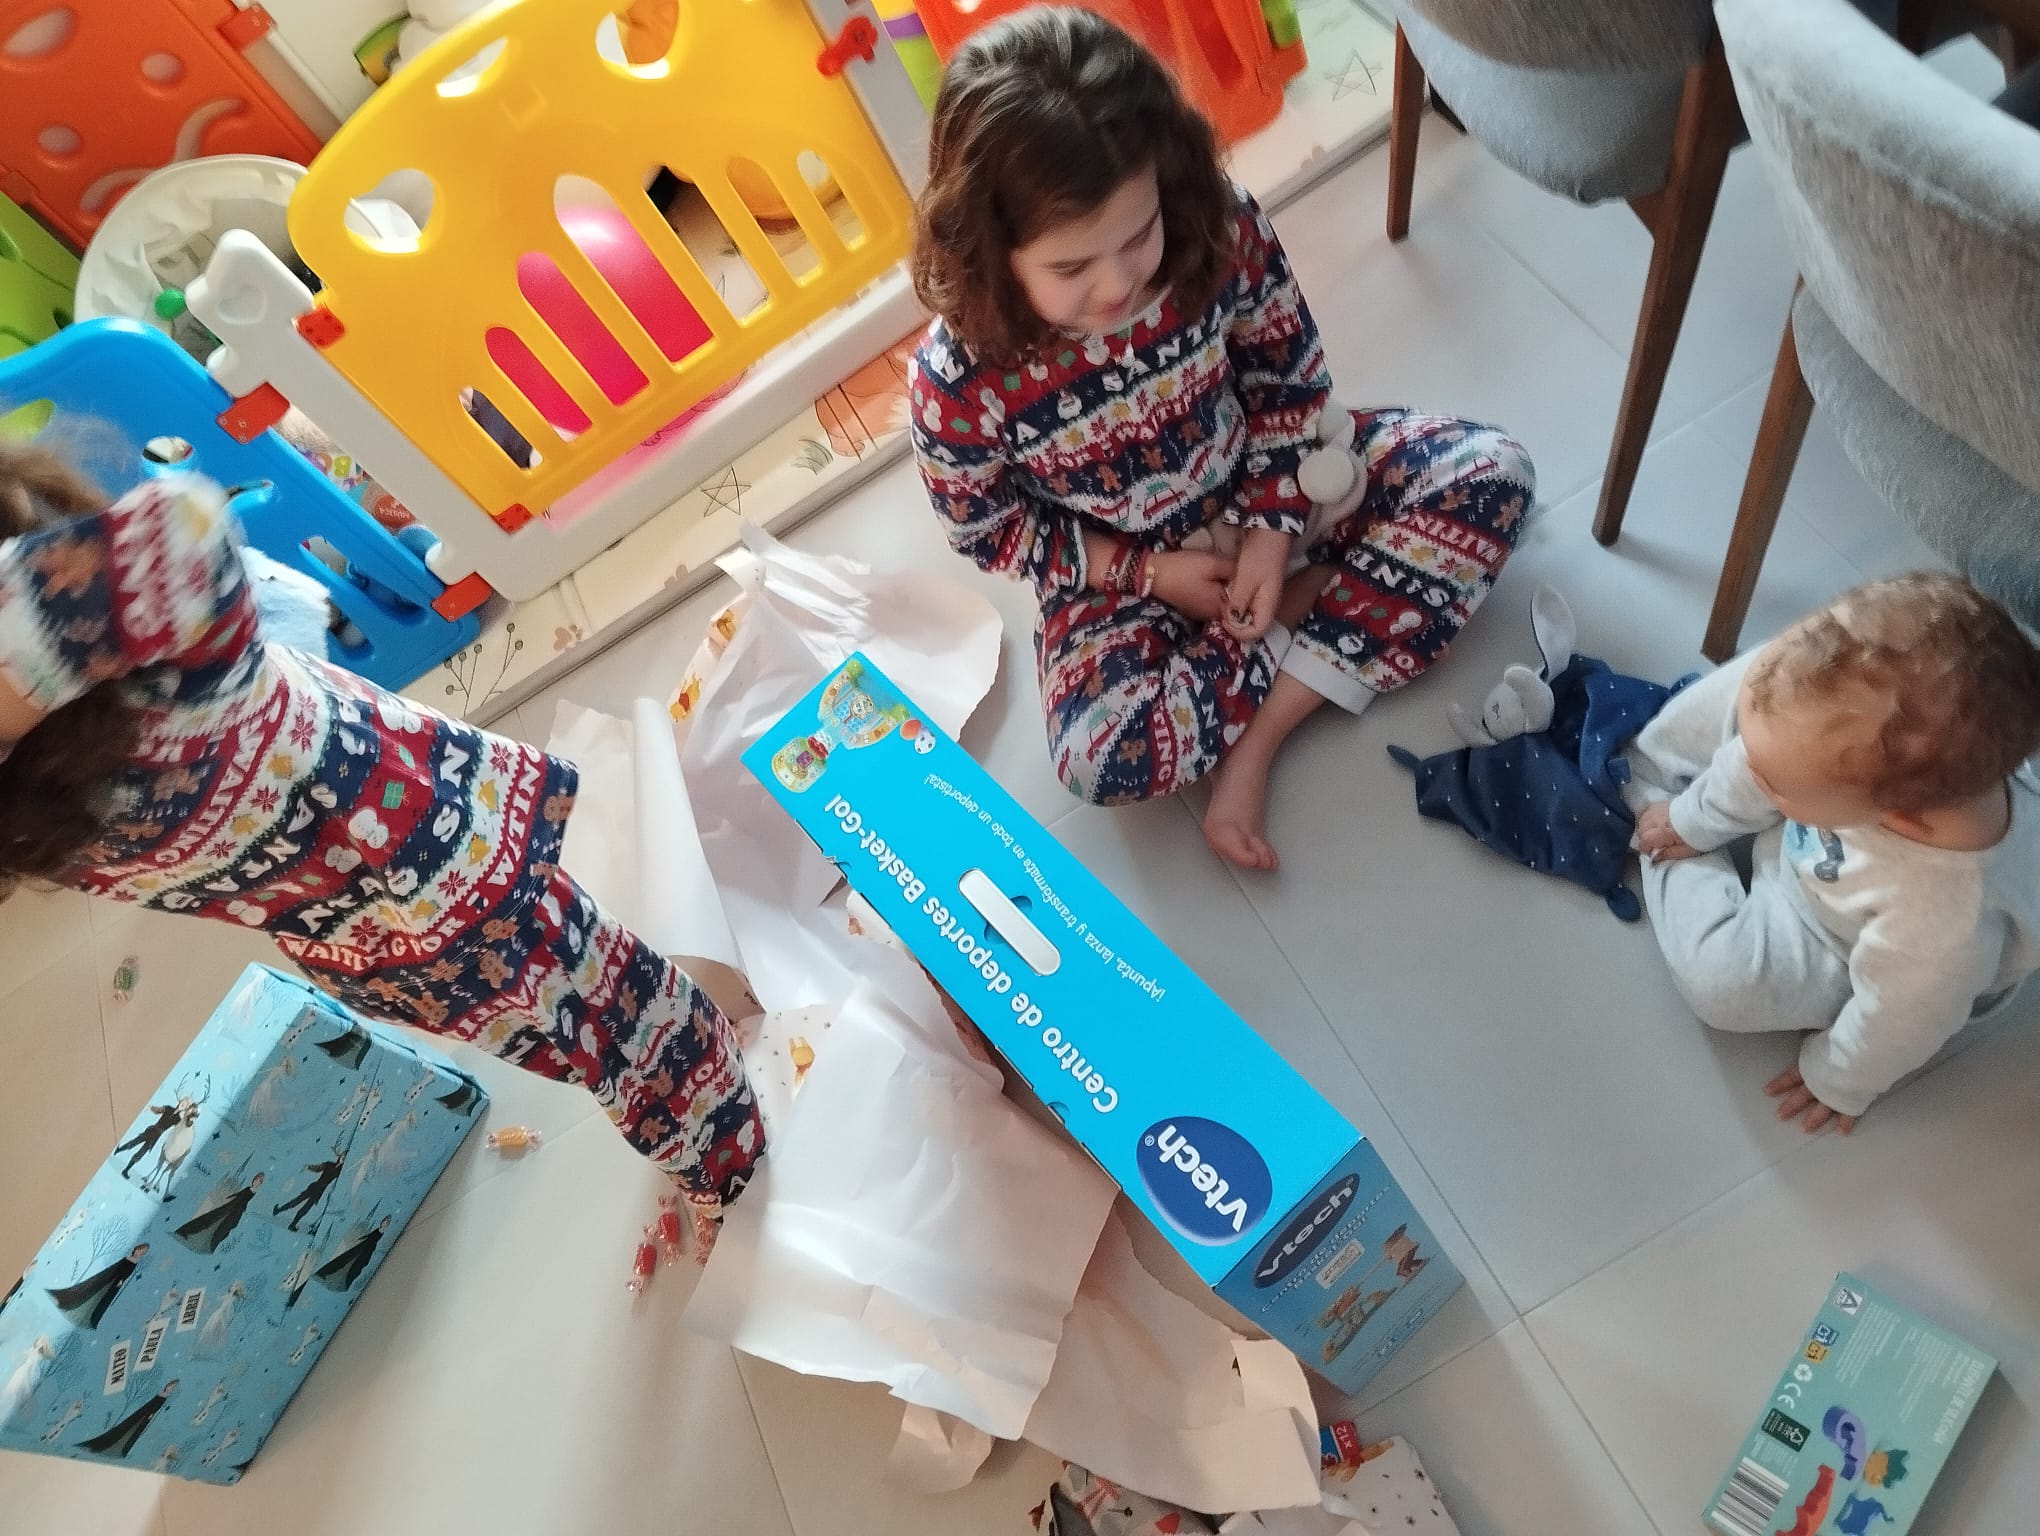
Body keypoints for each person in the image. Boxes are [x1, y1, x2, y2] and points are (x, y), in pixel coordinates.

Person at [0, 445, 761, 1227]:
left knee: (612, 1013)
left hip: (421, 851)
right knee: (544, 1026)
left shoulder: (148, 680)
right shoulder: (37, 784)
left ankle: (728, 1155)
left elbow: (184, 534)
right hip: (337, 919)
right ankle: (687, 1106)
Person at [907, 8, 1534, 869]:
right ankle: (1321, 608)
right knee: (1103, 757)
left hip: (1275, 487)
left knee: (1489, 473)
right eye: (1069, 268)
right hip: (1121, 574)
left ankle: (1265, 728)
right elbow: (992, 530)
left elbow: (1289, 383)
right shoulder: (958, 381)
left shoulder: (1216, 226)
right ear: (991, 252)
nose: (1120, 283)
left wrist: (1272, 540)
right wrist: (1149, 574)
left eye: (1137, 236)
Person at [1628, 573, 2040, 1133]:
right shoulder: (1916, 767)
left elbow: (1900, 1022)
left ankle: (1655, 799)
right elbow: (1769, 757)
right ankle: (1674, 770)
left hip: (1835, 940)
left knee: (1722, 984)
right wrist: (1701, 818)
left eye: (1774, 783)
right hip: (1822, 818)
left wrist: (1840, 1076)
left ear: (1897, 819)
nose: (1752, 772)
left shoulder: (1938, 929)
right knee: (1781, 694)